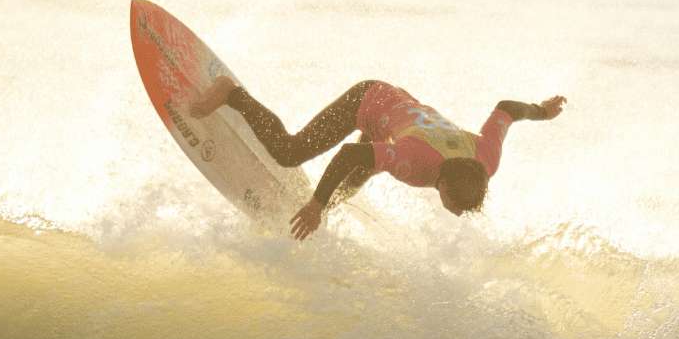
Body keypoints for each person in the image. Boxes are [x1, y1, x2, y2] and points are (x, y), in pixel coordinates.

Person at [186, 75, 566, 239]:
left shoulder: (486, 158)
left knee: (347, 186)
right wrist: (318, 204)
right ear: (444, 182)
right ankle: (231, 94)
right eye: (454, 202)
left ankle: (311, 207)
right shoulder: (413, 161)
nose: (455, 211)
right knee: (291, 152)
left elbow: (506, 109)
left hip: (397, 114)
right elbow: (351, 152)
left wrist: (540, 111)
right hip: (369, 101)